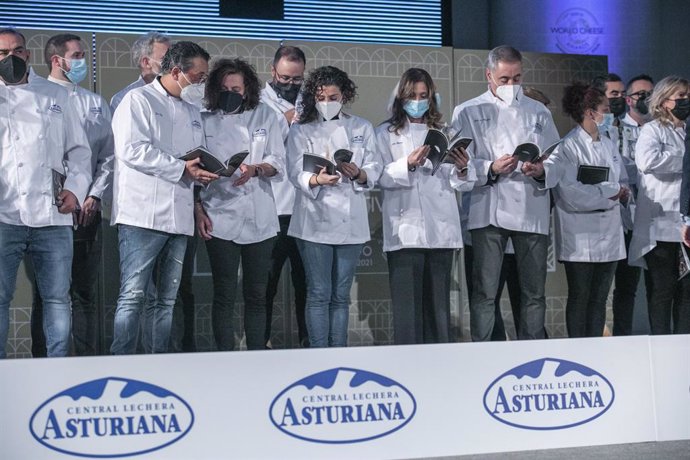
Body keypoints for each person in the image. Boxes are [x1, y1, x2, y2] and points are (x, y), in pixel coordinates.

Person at [110, 41, 217, 355]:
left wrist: (203, 183)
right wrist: (181, 168)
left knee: (166, 300)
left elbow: (194, 159)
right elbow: (131, 150)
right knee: (132, 296)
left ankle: (160, 364)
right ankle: (122, 363)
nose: (201, 84)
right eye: (198, 77)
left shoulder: (192, 112)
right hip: (141, 216)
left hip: (179, 215)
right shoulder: (136, 101)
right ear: (176, 71)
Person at [451, 45, 559, 341]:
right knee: (485, 292)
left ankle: (534, 353)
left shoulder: (539, 111)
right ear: (489, 75)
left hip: (531, 210)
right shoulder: (468, 111)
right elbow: (456, 164)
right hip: (488, 210)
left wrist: (541, 170)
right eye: (504, 79)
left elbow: (557, 156)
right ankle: (484, 354)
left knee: (534, 294)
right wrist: (491, 167)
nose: (512, 85)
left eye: (517, 78)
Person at [0, 28, 92, 358]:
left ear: (27, 53)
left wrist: (74, 190)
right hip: (4, 216)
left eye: (18, 51)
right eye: (2, 53)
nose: (11, 58)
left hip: (53, 214)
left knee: (57, 298)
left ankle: (59, 369)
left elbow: (80, 152)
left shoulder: (55, 94)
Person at [29, 33, 115, 357]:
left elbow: (108, 156)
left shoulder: (94, 103)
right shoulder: (34, 98)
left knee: (84, 294)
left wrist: (92, 195)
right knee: (48, 294)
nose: (83, 61)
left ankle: (86, 362)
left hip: (87, 212)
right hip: (47, 215)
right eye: (78, 55)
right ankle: (43, 363)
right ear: (56, 60)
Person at [376, 68, 475, 344]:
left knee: (439, 311)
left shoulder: (447, 132)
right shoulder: (385, 133)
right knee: (408, 313)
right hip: (405, 232)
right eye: (412, 96)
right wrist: (407, 163)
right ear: (401, 98)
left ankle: (439, 370)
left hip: (442, 231)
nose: (418, 102)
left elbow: (463, 183)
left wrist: (463, 168)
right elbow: (378, 177)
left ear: (432, 98)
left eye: (423, 96)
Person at [286, 65, 381, 348]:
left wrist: (359, 173)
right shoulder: (301, 129)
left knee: (341, 296)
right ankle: (318, 353)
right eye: (322, 97)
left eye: (333, 97)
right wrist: (315, 178)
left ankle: (339, 352)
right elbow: (292, 170)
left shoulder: (361, 127)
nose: (327, 103)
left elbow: (375, 167)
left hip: (350, 221)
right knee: (318, 293)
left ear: (344, 96)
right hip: (314, 220)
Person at [195, 58, 284, 351]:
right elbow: (194, 164)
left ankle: (256, 356)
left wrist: (255, 169)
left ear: (247, 90)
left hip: (260, 215)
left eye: (236, 87)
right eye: (224, 88)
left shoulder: (266, 115)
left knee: (257, 294)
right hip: (220, 213)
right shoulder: (204, 118)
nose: (230, 92)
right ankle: (224, 358)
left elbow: (278, 162)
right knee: (224, 293)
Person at [544, 83, 628, 337]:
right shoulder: (567, 147)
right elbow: (571, 194)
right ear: (590, 112)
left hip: (610, 232)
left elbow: (622, 180)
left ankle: (597, 350)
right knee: (581, 296)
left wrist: (621, 191)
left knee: (601, 298)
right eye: (605, 109)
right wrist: (609, 193)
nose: (609, 114)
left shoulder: (609, 143)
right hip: (580, 235)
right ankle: (579, 348)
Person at [629, 76, 690, 335]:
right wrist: (685, 161)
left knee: (687, 294)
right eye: (681, 97)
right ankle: (660, 346)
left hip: (685, 224)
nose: (686, 102)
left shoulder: (687, 130)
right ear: (665, 102)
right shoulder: (652, 130)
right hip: (660, 224)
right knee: (662, 292)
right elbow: (647, 162)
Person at [260, 45, 309, 348]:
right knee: (266, 283)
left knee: (307, 282)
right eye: (285, 78)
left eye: (297, 80)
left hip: (305, 206)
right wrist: (287, 120)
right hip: (271, 206)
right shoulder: (258, 102)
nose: (291, 85)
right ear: (273, 72)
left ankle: (308, 341)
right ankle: (261, 341)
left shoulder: (312, 102)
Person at [611, 74, 654, 336]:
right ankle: (622, 339)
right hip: (625, 218)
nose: (647, 99)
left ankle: (662, 341)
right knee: (626, 287)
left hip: (656, 218)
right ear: (628, 100)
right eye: (642, 95)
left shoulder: (664, 129)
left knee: (659, 287)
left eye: (652, 94)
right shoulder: (614, 130)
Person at [110, 31, 171, 112]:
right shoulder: (123, 99)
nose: (173, 63)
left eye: (173, 57)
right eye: (166, 58)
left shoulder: (181, 94)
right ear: (146, 62)